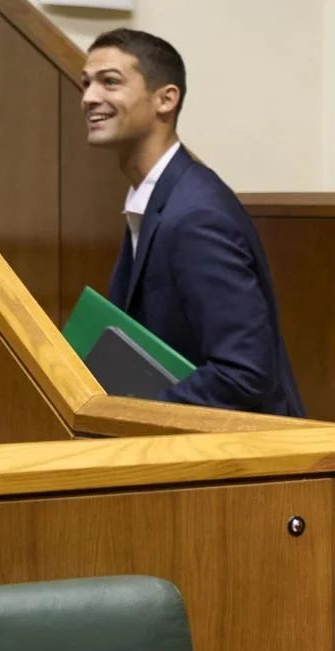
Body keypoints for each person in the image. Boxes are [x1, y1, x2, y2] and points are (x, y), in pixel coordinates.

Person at [81, 29, 305, 416]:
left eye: (110, 83)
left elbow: (243, 373)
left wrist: (129, 411)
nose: (88, 98)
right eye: (85, 84)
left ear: (166, 99)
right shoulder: (153, 197)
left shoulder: (196, 214)